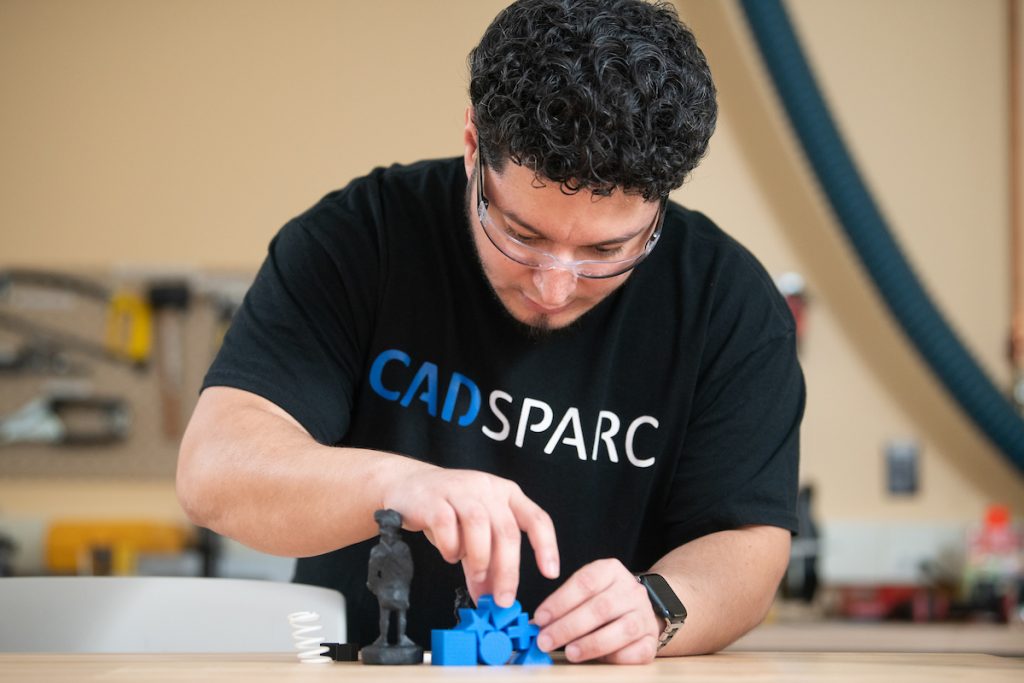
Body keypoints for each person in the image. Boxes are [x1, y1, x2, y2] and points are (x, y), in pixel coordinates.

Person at [177, 0, 804, 664]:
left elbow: (751, 545)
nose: (554, 287)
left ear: (660, 203)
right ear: (474, 146)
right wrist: (398, 485)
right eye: (522, 235)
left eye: (606, 251)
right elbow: (214, 468)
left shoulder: (728, 305)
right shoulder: (362, 239)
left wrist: (661, 605)